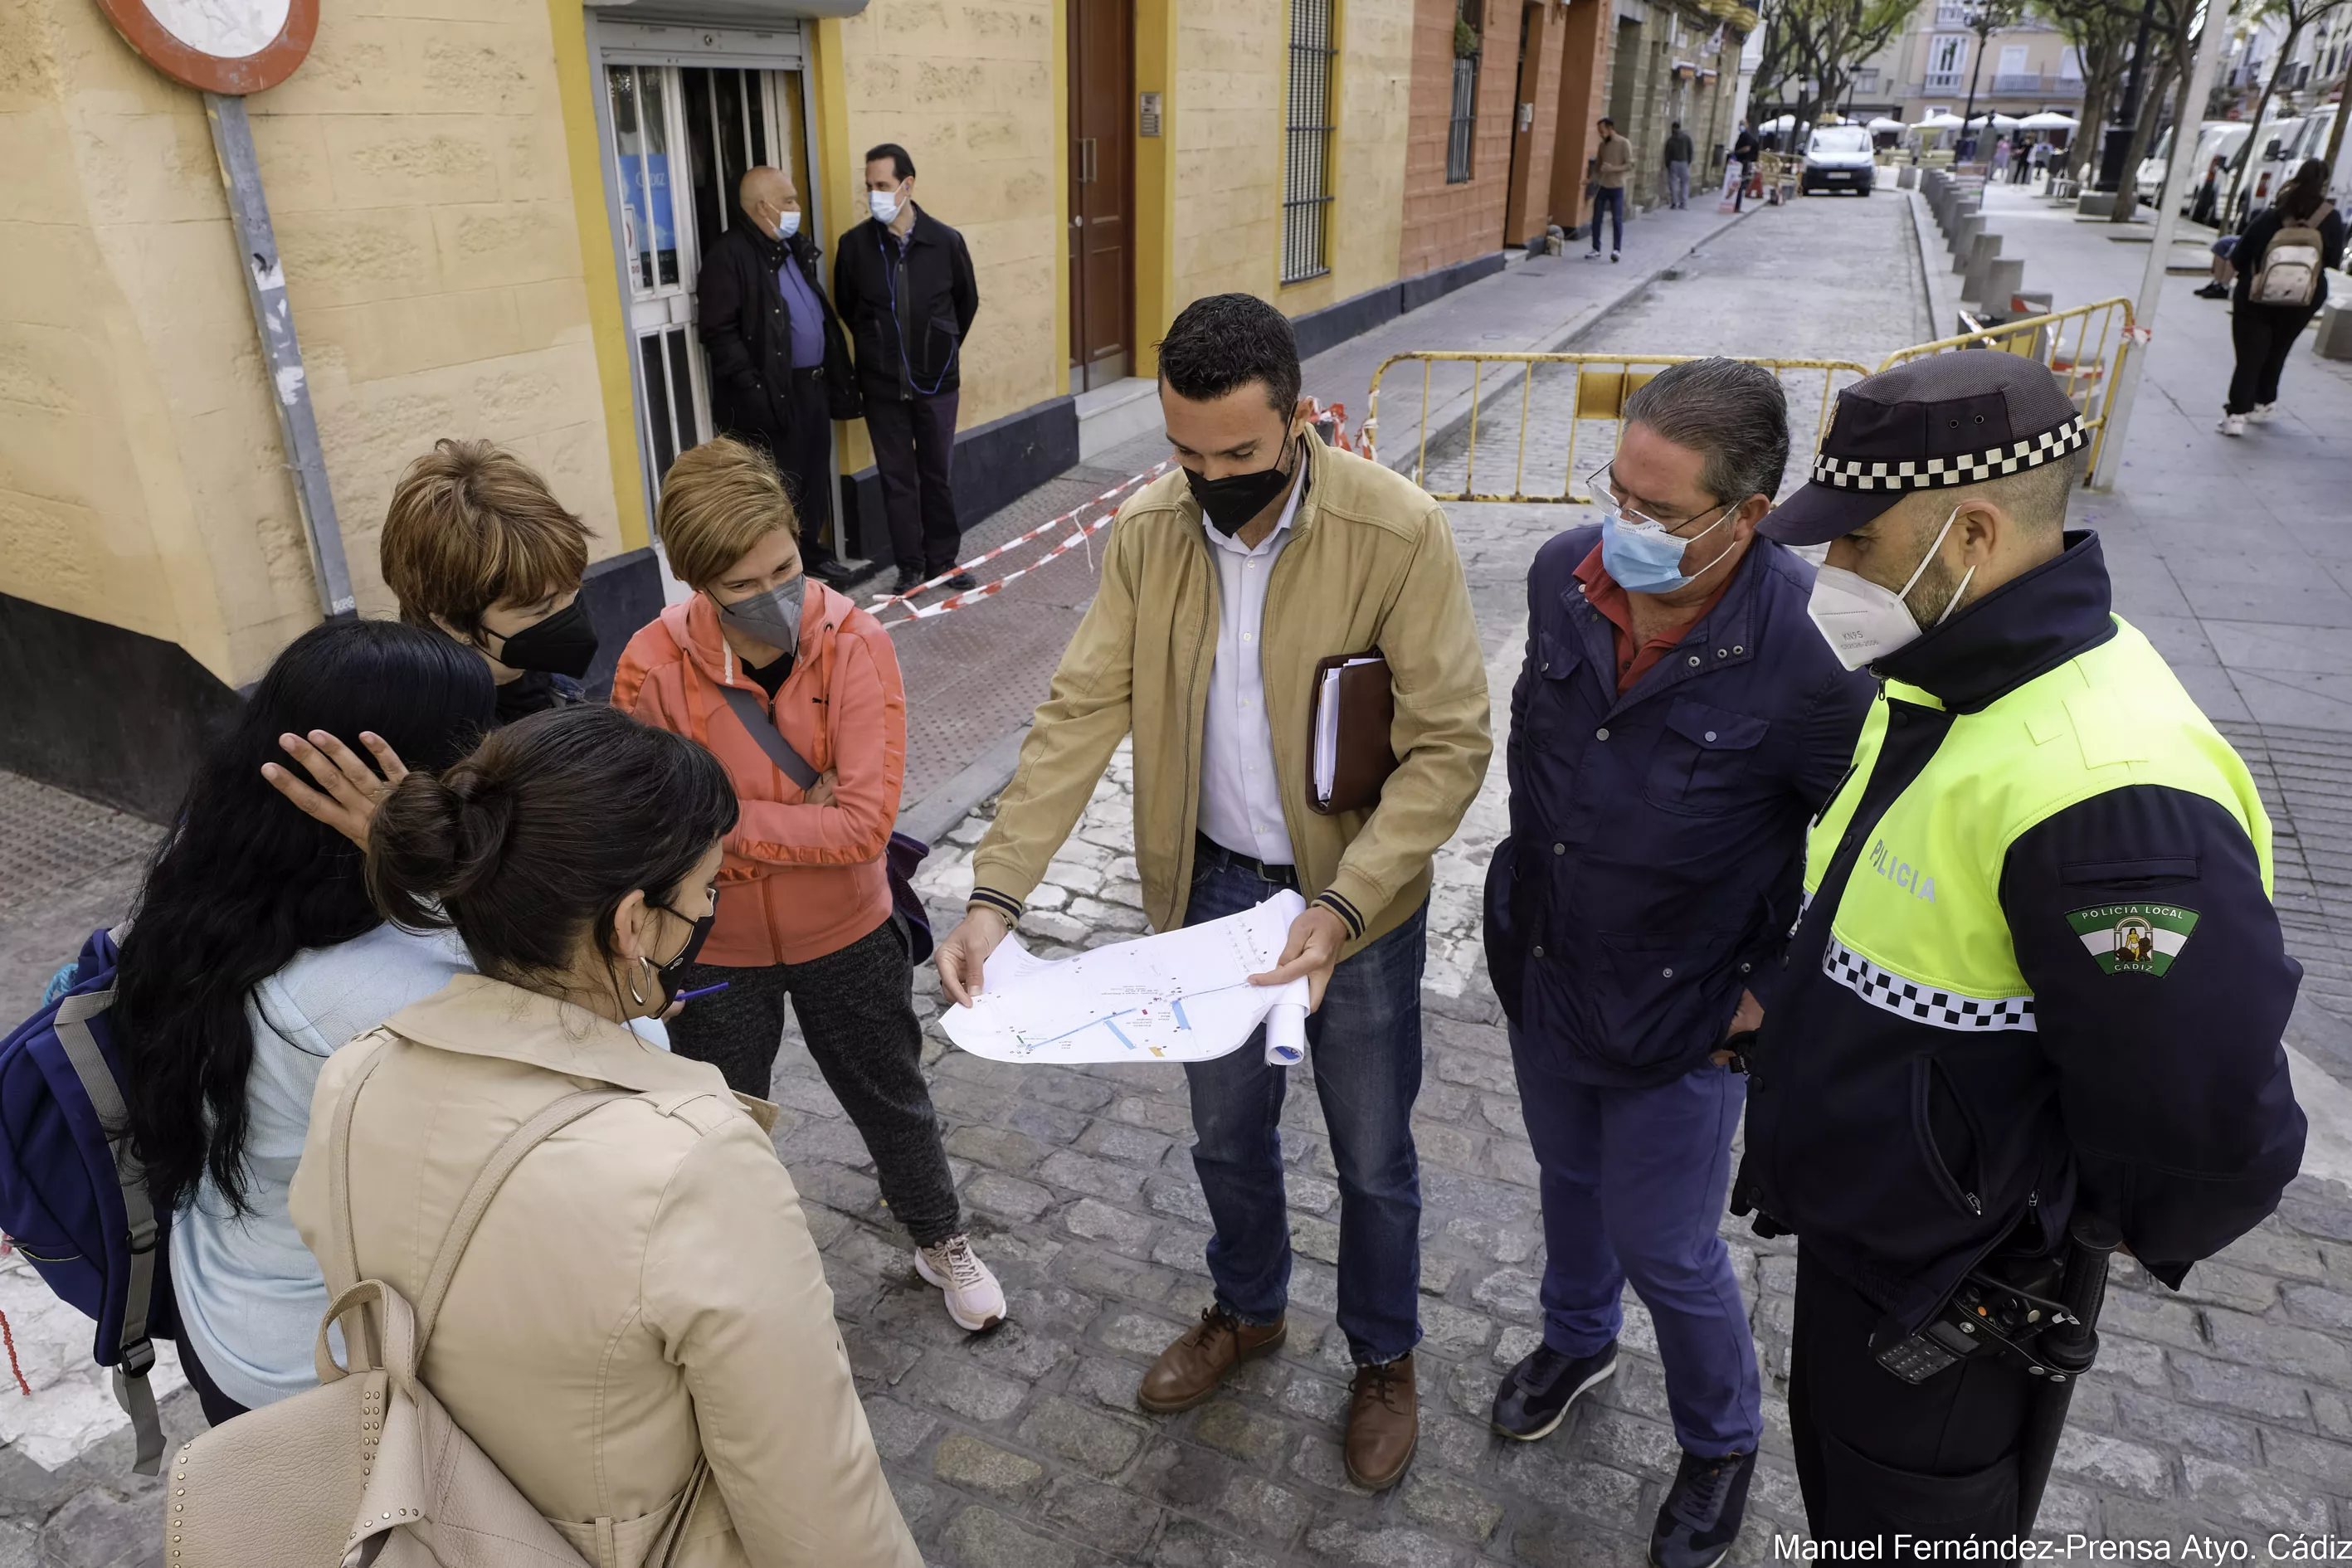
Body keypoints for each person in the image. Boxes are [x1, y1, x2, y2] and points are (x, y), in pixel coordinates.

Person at [1732, 350, 2307, 1546]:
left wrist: (2039, 1226)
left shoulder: (2110, 791)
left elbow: (2203, 1119)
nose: (1832, 574)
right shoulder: (1952, 672)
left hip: (1962, 1281)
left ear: (1973, 534)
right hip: (1876, 1235)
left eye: (1857, 542)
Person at [930, 293, 1492, 1491]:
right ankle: (1247, 1309)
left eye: (1237, 454)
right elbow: (1080, 710)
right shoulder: (1149, 531)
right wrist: (995, 896)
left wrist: (1344, 903)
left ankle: (1383, 1356)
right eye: (1186, 455)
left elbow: (1449, 744)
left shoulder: (1396, 531)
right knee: (1226, 1139)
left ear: (1297, 419)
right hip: (1211, 893)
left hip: (1357, 905)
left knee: (1373, 1157)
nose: (1212, 480)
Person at [288, 704, 924, 1566]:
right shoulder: (693, 1160)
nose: (709, 912)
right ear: (631, 926)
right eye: (705, 892)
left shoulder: (353, 1075)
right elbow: (816, 1505)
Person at [1484, 360, 1875, 1568]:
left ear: (1747, 514)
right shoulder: (1563, 575)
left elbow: (1862, 856)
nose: (1624, 526)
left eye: (1658, 511)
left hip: (1686, 1011)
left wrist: (1766, 1001)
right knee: (1567, 1181)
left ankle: (1719, 1439)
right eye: (1616, 492)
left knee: (1665, 1242)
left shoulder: (1817, 648)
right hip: (1548, 963)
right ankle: (1576, 1338)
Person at [613, 436, 1002, 1332]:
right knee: (718, 1124)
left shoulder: (856, 642)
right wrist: (791, 817)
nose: (775, 595)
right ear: (698, 583)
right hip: (715, 947)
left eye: (785, 568)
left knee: (892, 1098)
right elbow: (652, 829)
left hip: (848, 931)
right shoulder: (651, 665)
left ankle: (939, 1237)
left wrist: (719, 825)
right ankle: (732, 1282)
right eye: (744, 584)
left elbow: (863, 826)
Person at [115, 619, 497, 1425]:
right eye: (474, 753)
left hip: (227, 1305)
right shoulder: (384, 991)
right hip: (328, 1379)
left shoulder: (209, 880)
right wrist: (433, 860)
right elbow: (618, 1045)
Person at [696, 165, 862, 588]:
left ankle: (813, 556)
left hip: (812, 384)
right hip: (771, 392)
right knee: (781, 484)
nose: (796, 207)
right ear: (762, 207)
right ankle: (784, 568)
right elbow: (719, 332)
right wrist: (754, 388)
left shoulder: (790, 248)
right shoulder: (729, 256)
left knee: (813, 476)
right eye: (788, 200)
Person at [833, 142, 980, 597]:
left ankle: (944, 561)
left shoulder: (945, 241)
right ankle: (910, 566)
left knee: (936, 476)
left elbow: (965, 303)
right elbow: (848, 307)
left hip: (937, 384)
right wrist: (881, 349)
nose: (874, 195)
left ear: (907, 185)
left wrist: (939, 348)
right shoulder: (854, 246)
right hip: (881, 386)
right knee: (897, 480)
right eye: (869, 186)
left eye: (882, 185)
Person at [380, 438, 599, 724]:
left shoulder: (553, 689)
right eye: (541, 608)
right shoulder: (433, 737)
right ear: (452, 623)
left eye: (572, 588)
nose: (570, 612)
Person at [2219, 158, 2344, 436]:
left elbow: (2240, 257)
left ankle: (2236, 415)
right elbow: (2333, 260)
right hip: (2305, 296)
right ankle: (2264, 402)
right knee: (2278, 349)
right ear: (2323, 184)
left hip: (2257, 296)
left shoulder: (2272, 215)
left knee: (2250, 354)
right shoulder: (2332, 218)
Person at [1587, 118, 1633, 261]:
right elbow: (1597, 167)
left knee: (1617, 219)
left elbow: (1630, 165)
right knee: (1596, 218)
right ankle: (1596, 248)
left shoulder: (1624, 143)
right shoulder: (1602, 146)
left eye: (1602, 131)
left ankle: (1616, 250)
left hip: (1617, 187)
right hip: (1602, 186)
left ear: (1610, 128)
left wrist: (1612, 168)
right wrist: (1590, 180)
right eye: (1599, 131)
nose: (1600, 134)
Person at [1665, 120, 1695, 210]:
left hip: (1673, 163)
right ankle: (1684, 203)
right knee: (1685, 183)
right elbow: (1690, 151)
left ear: (1673, 128)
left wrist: (1668, 164)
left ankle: (1674, 203)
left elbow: (1667, 154)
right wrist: (1688, 162)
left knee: (1673, 183)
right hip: (1684, 162)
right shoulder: (1687, 138)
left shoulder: (1671, 140)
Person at [1732, 122, 1760, 212]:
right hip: (1741, 162)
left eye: (1742, 124)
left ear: (1747, 125)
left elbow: (1747, 148)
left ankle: (1737, 206)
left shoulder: (1747, 136)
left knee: (1740, 184)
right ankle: (1735, 205)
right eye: (1740, 124)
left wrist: (1736, 153)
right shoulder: (1742, 135)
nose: (1740, 126)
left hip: (1744, 162)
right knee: (1738, 183)